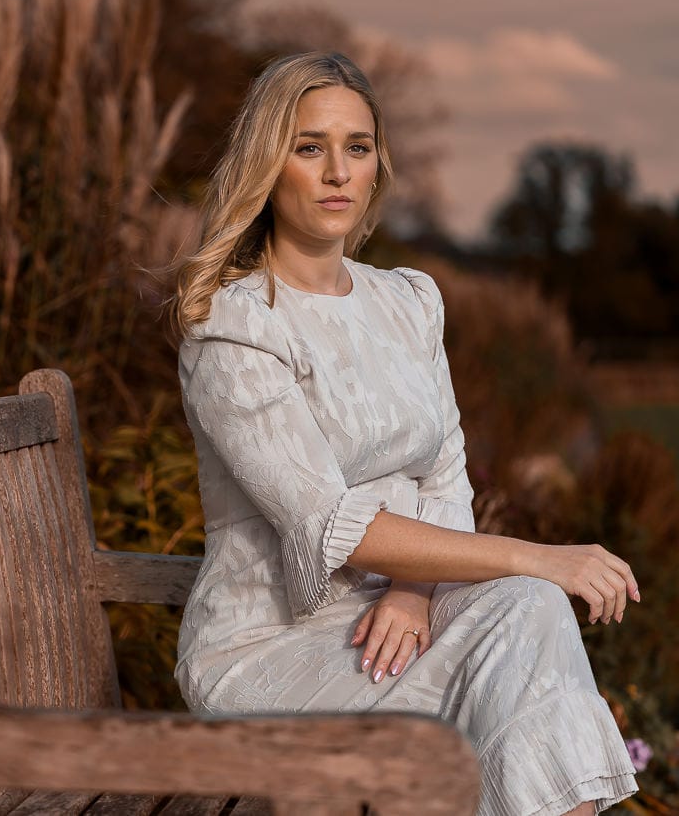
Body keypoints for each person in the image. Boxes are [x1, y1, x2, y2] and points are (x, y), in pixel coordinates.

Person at [168, 51, 639, 816]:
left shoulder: (409, 300)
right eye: (309, 146)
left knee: (530, 609)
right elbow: (330, 527)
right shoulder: (234, 326)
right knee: (527, 603)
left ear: (376, 165)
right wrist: (542, 556)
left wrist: (416, 589)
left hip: (397, 612)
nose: (336, 173)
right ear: (267, 161)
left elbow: (445, 469)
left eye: (356, 148)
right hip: (270, 647)